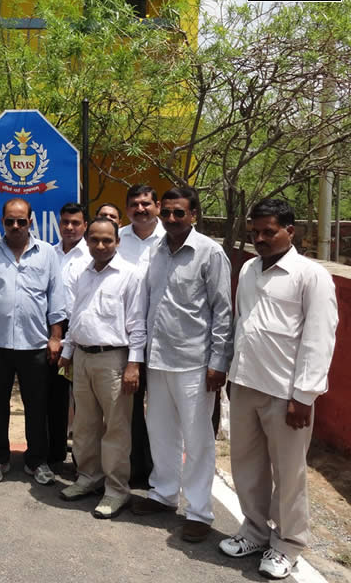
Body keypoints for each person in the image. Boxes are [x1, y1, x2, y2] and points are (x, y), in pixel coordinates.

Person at [218, 199, 338, 579]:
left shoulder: (310, 275)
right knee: (247, 466)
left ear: (291, 231)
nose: (260, 239)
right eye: (254, 232)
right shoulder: (251, 269)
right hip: (246, 384)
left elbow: (320, 338)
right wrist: (232, 377)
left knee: (288, 475)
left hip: (286, 394)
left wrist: (304, 396)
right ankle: (253, 531)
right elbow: (243, 326)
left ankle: (287, 545)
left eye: (268, 231)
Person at [132, 186, 232, 544]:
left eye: (180, 213)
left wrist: (219, 361)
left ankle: (200, 511)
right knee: (160, 432)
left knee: (198, 439)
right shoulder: (156, 251)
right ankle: (163, 493)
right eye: (168, 212)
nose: (172, 219)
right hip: (158, 360)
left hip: (195, 363)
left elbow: (223, 311)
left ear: (194, 215)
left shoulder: (210, 252)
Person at [0, 198, 65, 485]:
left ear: (31, 221)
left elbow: (56, 299)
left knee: (37, 406)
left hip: (35, 344)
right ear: (2, 222)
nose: (15, 226)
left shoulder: (47, 253)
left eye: (21, 221)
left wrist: (55, 337)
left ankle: (36, 460)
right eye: (10, 221)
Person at [58, 217, 146, 518]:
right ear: (87, 241)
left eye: (107, 240)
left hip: (114, 360)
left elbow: (137, 325)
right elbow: (76, 316)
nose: (100, 245)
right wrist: (68, 352)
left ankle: (116, 489)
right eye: (94, 239)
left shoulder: (130, 275)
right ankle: (88, 478)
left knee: (116, 428)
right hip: (82, 357)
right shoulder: (82, 274)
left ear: (117, 242)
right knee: (84, 424)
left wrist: (134, 364)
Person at [118, 184, 165, 488]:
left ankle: (162, 474)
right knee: (130, 409)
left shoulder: (170, 239)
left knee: (161, 410)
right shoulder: (117, 238)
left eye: (146, 203)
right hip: (126, 337)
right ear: (127, 209)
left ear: (157, 206)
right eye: (134, 204)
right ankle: (136, 470)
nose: (140, 209)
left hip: (163, 337)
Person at [48, 202, 92, 470]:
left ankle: (84, 462)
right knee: (54, 396)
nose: (70, 227)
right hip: (53, 329)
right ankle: (53, 454)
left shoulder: (91, 257)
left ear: (84, 225)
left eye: (76, 223)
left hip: (82, 331)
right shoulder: (49, 254)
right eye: (65, 222)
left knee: (83, 400)